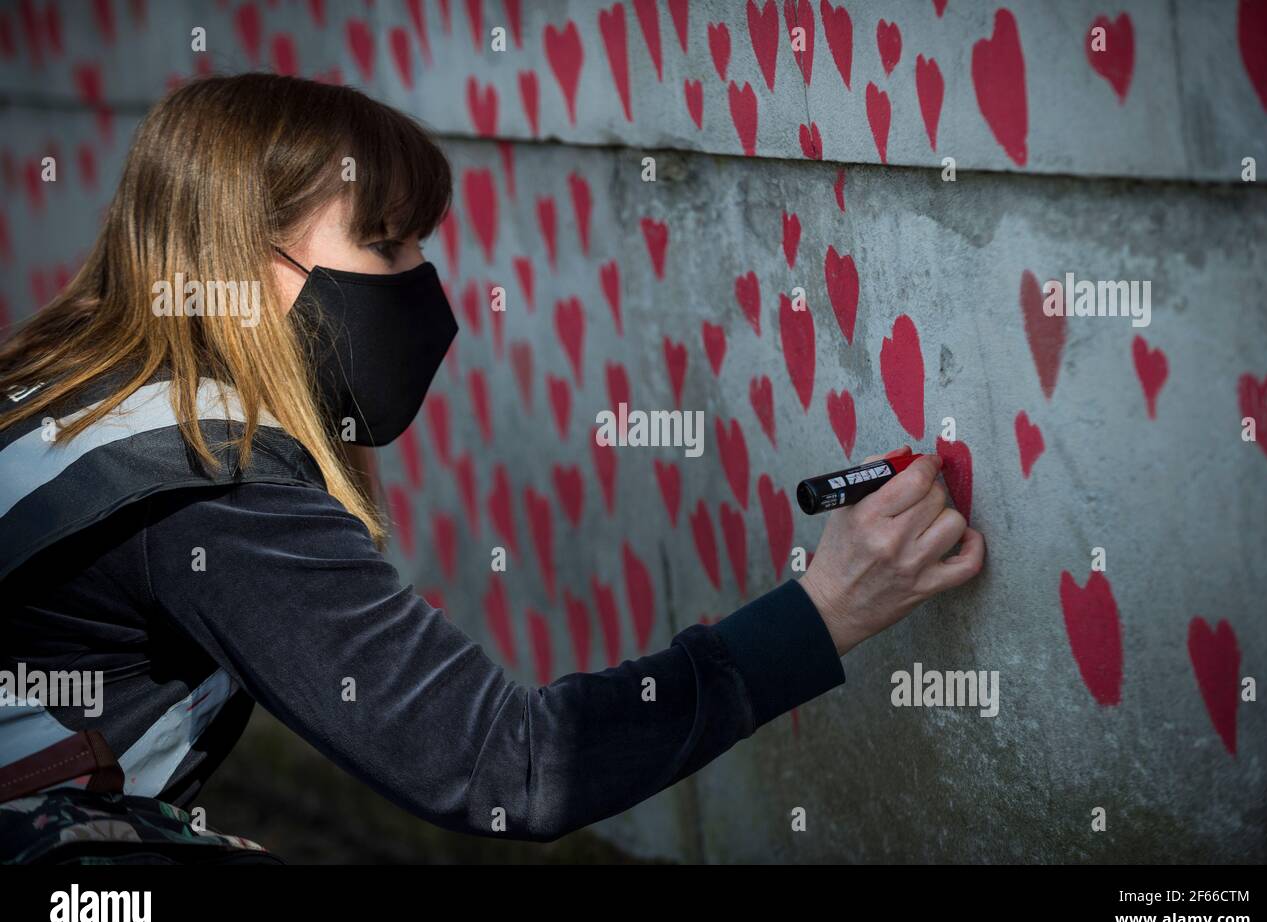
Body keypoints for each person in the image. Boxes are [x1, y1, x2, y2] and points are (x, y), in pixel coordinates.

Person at [0, 74, 984, 863]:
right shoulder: (209, 485)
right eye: (383, 243)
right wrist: (830, 609)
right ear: (244, 263)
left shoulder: (65, 385)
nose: (420, 284)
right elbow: (508, 770)